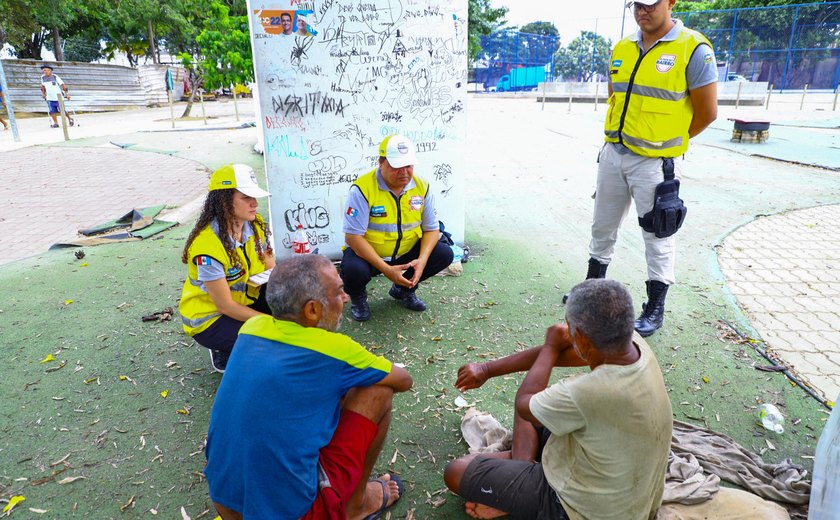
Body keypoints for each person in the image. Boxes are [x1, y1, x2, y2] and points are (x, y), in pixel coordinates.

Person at [204, 254, 413, 519]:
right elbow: (403, 380)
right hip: (293, 513)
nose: (346, 297)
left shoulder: (252, 327)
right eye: (338, 291)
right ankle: (356, 505)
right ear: (312, 310)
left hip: (225, 501)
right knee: (377, 391)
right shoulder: (334, 349)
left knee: (333, 387)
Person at [445, 279, 673, 519]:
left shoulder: (586, 392)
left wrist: (551, 346)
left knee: (456, 471)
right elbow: (556, 356)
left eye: (570, 328)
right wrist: (486, 369)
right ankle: (520, 480)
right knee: (539, 403)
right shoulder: (631, 343)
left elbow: (525, 403)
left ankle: (515, 494)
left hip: (585, 509)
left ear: (583, 338)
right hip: (624, 485)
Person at [569, 0, 718, 337]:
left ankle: (655, 308)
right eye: (636, 4)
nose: (642, 11)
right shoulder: (622, 47)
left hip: (654, 164)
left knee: (658, 235)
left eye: (650, 4)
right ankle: (591, 294)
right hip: (613, 154)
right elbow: (615, 97)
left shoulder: (694, 49)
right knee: (601, 227)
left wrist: (667, 143)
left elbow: (707, 113)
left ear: (670, 3)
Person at [341, 134, 454, 321]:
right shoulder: (362, 189)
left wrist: (422, 261)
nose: (404, 172)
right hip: (370, 256)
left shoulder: (422, 187)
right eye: (397, 166)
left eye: (408, 165)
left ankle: (403, 289)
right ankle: (358, 298)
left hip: (406, 252)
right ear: (381, 163)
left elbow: (432, 229)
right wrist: (386, 269)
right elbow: (353, 237)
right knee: (353, 270)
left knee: (443, 253)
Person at [179, 163, 274, 372]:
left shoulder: (254, 223)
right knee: (267, 342)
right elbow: (225, 306)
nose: (254, 204)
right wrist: (272, 322)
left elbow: (270, 267)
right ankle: (222, 346)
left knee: (288, 304)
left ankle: (237, 341)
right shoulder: (207, 248)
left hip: (245, 299)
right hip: (211, 318)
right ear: (223, 201)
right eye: (246, 197)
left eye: (254, 197)